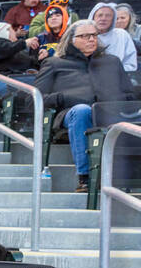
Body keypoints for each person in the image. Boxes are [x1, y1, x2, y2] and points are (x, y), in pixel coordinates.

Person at [35, 19, 137, 191]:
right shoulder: (54, 63)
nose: (91, 39)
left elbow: (129, 95)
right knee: (82, 110)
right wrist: (64, 97)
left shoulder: (111, 61)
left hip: (109, 113)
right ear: (71, 40)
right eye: (85, 36)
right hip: (71, 113)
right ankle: (86, 177)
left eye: (94, 35)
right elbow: (34, 99)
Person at [89, 2, 138, 73]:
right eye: (100, 15)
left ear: (113, 19)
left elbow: (131, 64)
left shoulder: (122, 35)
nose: (103, 19)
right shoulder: (85, 35)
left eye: (108, 16)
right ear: (93, 17)